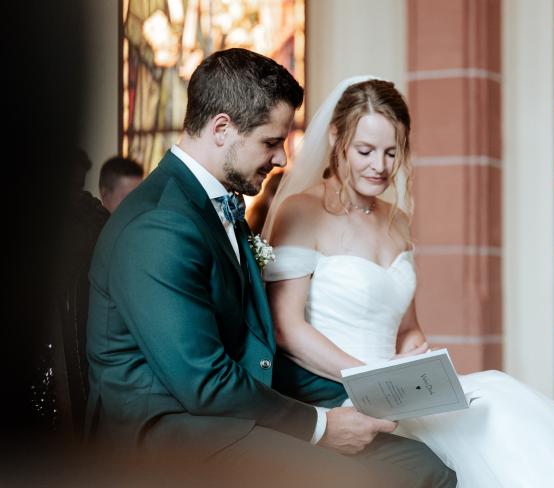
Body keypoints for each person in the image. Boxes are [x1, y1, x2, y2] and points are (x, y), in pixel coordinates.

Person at [85, 49, 455, 486]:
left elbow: (249, 347)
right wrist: (321, 425)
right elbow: (203, 383)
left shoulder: (216, 204)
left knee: (424, 468)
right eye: (271, 141)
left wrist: (350, 397)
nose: (282, 159)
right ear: (221, 128)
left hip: (225, 412)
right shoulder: (160, 224)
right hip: (168, 431)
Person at [262, 76, 554, 487]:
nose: (380, 166)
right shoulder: (302, 212)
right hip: (338, 390)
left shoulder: (397, 222)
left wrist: (419, 364)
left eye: (392, 152)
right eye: (365, 151)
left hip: (398, 390)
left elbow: (407, 330)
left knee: (499, 404)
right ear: (336, 138)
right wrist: (373, 377)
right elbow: (287, 328)